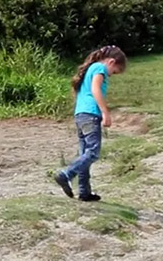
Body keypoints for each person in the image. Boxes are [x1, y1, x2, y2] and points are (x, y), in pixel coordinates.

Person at [53, 45, 127, 202]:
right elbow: (96, 90)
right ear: (111, 62)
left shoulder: (90, 69)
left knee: (84, 154)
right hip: (91, 115)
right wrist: (105, 112)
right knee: (93, 152)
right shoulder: (99, 68)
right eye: (114, 72)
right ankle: (66, 174)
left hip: (80, 115)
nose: (112, 75)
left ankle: (84, 192)